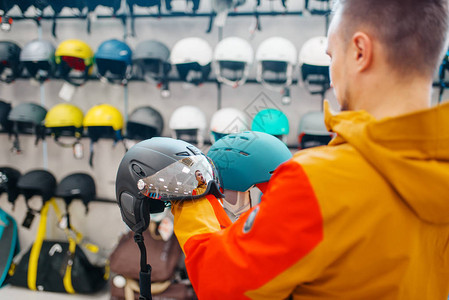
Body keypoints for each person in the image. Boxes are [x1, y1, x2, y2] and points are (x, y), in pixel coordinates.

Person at [170, 0, 449, 299]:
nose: (331, 73)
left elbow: (220, 280)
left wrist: (191, 196)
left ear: (359, 52)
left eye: (331, 55)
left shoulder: (317, 182)